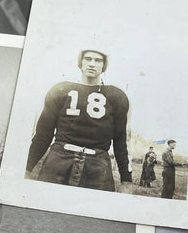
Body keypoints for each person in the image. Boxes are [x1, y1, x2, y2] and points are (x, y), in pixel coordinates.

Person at [25, 49, 132, 192]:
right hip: (59, 159)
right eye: (88, 59)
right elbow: (43, 135)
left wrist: (126, 180)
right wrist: (26, 168)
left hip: (97, 165)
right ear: (80, 62)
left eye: (98, 60)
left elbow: (120, 140)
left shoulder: (116, 96)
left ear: (104, 66)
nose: (92, 64)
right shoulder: (60, 90)